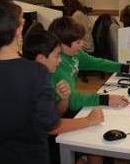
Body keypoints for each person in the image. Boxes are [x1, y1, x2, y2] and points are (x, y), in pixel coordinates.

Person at [0, 0, 103, 164]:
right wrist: (88, 121)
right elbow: (51, 123)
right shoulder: (36, 72)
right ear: (18, 31)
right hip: (31, 156)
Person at [22, 30, 103, 164]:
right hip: (34, 149)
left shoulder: (43, 76)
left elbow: (56, 114)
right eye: (57, 55)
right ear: (41, 58)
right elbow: (53, 127)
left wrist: (64, 98)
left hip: (43, 136)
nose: (60, 60)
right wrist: (88, 120)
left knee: (94, 139)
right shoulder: (33, 85)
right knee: (93, 139)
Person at [48, 16, 130, 113]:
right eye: (78, 42)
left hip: (70, 102)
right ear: (62, 45)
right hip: (58, 112)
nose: (82, 44)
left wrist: (125, 68)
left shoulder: (75, 53)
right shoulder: (58, 67)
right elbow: (73, 102)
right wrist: (106, 99)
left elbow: (97, 63)